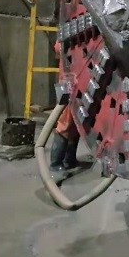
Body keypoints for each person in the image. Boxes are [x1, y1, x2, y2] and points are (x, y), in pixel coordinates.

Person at [50, 40, 80, 181]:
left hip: (80, 82)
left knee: (77, 123)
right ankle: (55, 163)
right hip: (69, 84)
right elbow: (58, 47)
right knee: (65, 123)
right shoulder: (66, 34)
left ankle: (70, 159)